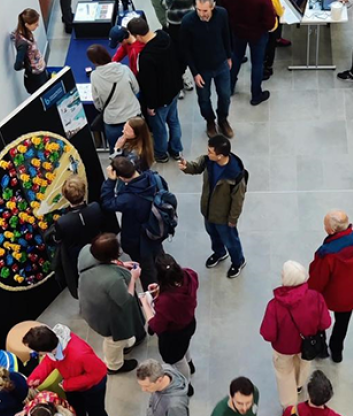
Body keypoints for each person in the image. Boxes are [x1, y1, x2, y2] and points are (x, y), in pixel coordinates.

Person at [260, 262, 331, 408]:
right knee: (304, 364)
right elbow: (325, 323)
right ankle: (299, 385)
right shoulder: (316, 297)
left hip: (283, 349)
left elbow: (268, 334)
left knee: (284, 374)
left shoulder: (274, 305)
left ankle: (289, 407)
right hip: (307, 345)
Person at [179, 135, 247, 277]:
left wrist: (233, 219)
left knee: (230, 240)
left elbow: (238, 200)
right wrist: (187, 167)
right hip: (208, 211)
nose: (207, 153)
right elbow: (197, 166)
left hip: (224, 217)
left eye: (210, 151)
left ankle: (238, 261)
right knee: (213, 234)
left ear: (220, 156)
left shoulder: (235, 175)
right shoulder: (209, 161)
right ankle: (219, 253)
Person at [78, 233, 145, 374]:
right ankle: (114, 365)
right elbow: (126, 300)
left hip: (90, 304)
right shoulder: (112, 280)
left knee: (119, 339)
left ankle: (125, 345)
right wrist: (133, 278)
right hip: (107, 319)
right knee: (113, 342)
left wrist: (120, 265)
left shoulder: (85, 251)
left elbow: (102, 263)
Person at [308, 210, 353, 362]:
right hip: (351, 294)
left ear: (331, 230)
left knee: (318, 319)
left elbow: (318, 280)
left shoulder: (327, 253)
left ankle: (320, 348)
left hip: (329, 296)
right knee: (342, 324)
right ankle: (337, 352)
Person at [47, 176, 118, 299]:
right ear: (84, 192)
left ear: (65, 196)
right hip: (97, 249)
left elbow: (57, 239)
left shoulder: (63, 222)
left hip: (77, 257)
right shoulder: (95, 208)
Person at [100, 157, 168, 284]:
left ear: (122, 178)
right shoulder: (153, 177)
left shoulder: (128, 199)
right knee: (159, 256)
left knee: (147, 270)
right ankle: (166, 276)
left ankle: (153, 294)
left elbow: (108, 204)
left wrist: (110, 181)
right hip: (156, 227)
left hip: (139, 238)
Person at [221, 0, 275, 105]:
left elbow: (223, 4)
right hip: (257, 33)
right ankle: (255, 94)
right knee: (257, 64)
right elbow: (269, 21)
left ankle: (230, 86)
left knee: (236, 57)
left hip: (237, 30)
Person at [127, 17, 184, 162]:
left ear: (138, 36)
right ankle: (176, 150)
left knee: (159, 128)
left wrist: (150, 105)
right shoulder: (165, 36)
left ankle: (161, 153)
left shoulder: (146, 57)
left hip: (160, 100)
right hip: (174, 89)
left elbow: (149, 85)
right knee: (174, 121)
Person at [138, 254, 198, 387]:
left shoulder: (166, 302)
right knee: (185, 345)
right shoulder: (189, 274)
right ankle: (190, 362)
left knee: (176, 360)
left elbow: (156, 325)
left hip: (173, 336)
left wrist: (146, 304)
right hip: (189, 323)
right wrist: (160, 289)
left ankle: (185, 385)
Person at [24, 325, 108, 416]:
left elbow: (99, 373)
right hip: (72, 385)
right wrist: (35, 378)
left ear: (43, 350)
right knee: (76, 409)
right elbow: (50, 361)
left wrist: (68, 384)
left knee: (95, 411)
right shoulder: (52, 343)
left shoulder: (80, 354)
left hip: (92, 388)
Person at [180, 0, 233, 137]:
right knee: (204, 98)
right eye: (198, 10)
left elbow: (226, 34)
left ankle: (223, 120)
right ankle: (210, 120)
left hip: (221, 63)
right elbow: (186, 49)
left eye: (205, 10)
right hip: (202, 69)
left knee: (225, 95)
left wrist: (228, 56)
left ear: (213, 7)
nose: (201, 14)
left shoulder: (222, 14)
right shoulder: (187, 22)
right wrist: (195, 72)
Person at [87, 44, 141, 153]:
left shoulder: (95, 76)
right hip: (133, 116)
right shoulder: (124, 69)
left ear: (93, 61)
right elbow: (136, 89)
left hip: (112, 120)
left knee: (116, 152)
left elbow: (97, 101)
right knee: (137, 149)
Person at [12, 8, 49, 94]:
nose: (38, 26)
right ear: (27, 25)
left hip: (40, 71)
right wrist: (29, 66)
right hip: (36, 79)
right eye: (35, 24)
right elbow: (17, 66)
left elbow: (13, 35)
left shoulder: (23, 32)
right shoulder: (23, 44)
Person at [258, 0, 282, 79]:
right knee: (271, 47)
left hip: (260, 26)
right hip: (272, 26)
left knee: (262, 47)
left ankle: (262, 65)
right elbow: (280, 13)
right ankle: (268, 67)